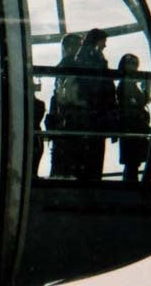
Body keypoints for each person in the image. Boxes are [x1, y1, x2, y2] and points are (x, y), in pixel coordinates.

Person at [70, 28, 117, 181]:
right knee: (94, 152)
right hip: (95, 113)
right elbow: (97, 84)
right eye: (104, 42)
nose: (105, 45)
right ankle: (92, 182)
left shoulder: (84, 56)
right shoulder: (93, 58)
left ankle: (89, 181)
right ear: (97, 41)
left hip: (92, 113)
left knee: (90, 152)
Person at [46, 32, 83, 178]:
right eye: (77, 46)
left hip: (62, 119)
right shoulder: (73, 66)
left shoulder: (62, 66)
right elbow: (67, 96)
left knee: (61, 160)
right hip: (70, 119)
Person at [115, 54, 149, 183]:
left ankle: (129, 184)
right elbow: (139, 102)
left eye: (135, 64)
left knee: (132, 162)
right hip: (132, 126)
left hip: (131, 126)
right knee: (132, 161)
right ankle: (130, 185)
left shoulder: (126, 83)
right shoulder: (127, 84)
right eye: (131, 64)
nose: (134, 67)